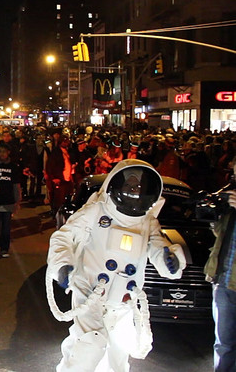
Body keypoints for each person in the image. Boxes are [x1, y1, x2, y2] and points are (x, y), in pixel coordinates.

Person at [46, 159, 186, 372]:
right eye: (129, 185)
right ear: (116, 184)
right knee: (89, 346)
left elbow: (159, 248)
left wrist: (170, 261)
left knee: (117, 357)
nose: (133, 190)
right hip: (90, 293)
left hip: (123, 301)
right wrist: (63, 265)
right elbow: (63, 237)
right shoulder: (96, 211)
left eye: (138, 186)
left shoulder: (147, 222)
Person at [205, 161, 236, 371]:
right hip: (224, 280)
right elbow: (220, 234)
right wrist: (213, 215)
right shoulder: (232, 199)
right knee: (223, 345)